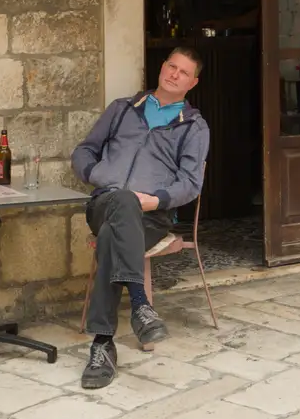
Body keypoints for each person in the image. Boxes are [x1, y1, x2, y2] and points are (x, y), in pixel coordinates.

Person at [70, 47, 209, 389]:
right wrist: (96, 174)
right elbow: (84, 150)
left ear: (193, 82)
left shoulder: (193, 126)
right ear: (162, 67)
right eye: (170, 66)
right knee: (119, 201)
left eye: (183, 72)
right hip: (104, 203)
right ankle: (141, 306)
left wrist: (158, 198)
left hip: (151, 217)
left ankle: (102, 344)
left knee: (109, 238)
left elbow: (191, 184)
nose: (174, 74)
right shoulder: (122, 109)